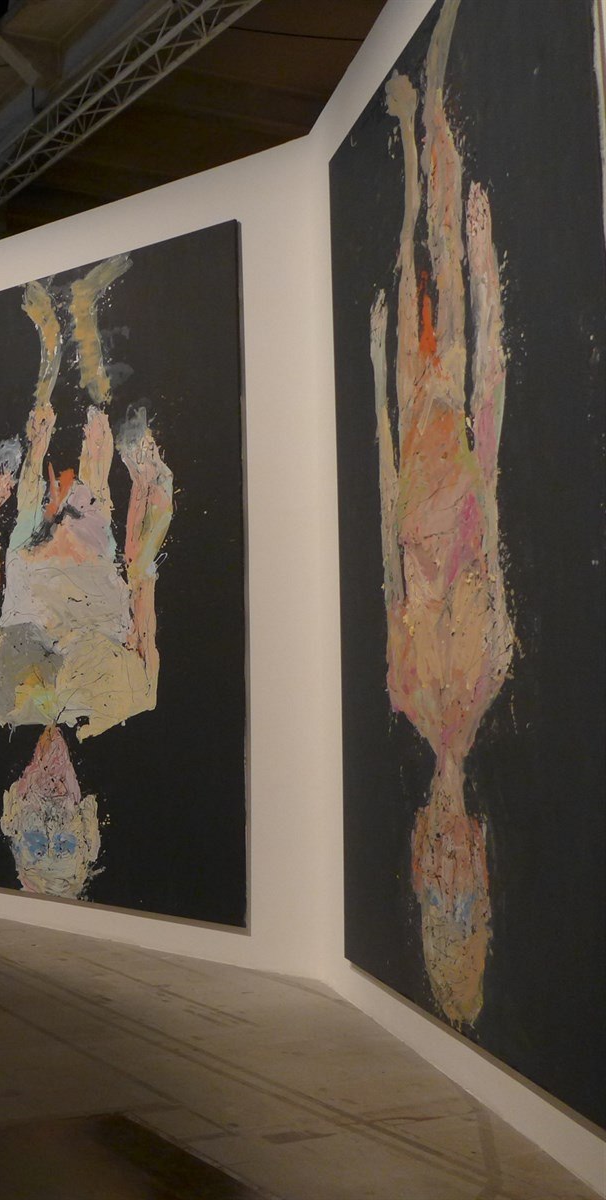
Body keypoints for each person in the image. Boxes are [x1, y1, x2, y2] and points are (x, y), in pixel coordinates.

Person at [369, 0, 511, 1027]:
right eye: (465, 895)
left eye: (437, 891)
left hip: (421, 442)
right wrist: (488, 311)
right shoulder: (487, 673)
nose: (448, 867)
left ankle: (421, 105)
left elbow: (391, 538)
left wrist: (383, 378)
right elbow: (487, 503)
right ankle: (435, 87)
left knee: (419, 238)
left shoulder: (409, 692)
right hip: (455, 433)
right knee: (447, 247)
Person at [0, 267, 173, 898]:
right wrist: (150, 495)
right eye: (66, 842)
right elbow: (143, 583)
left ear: (11, 813)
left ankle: (49, 342)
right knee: (95, 427)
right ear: (89, 825)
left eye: (36, 841)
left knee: (41, 431)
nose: (51, 817)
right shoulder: (131, 699)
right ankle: (83, 311)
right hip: (92, 545)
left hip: (31, 549)